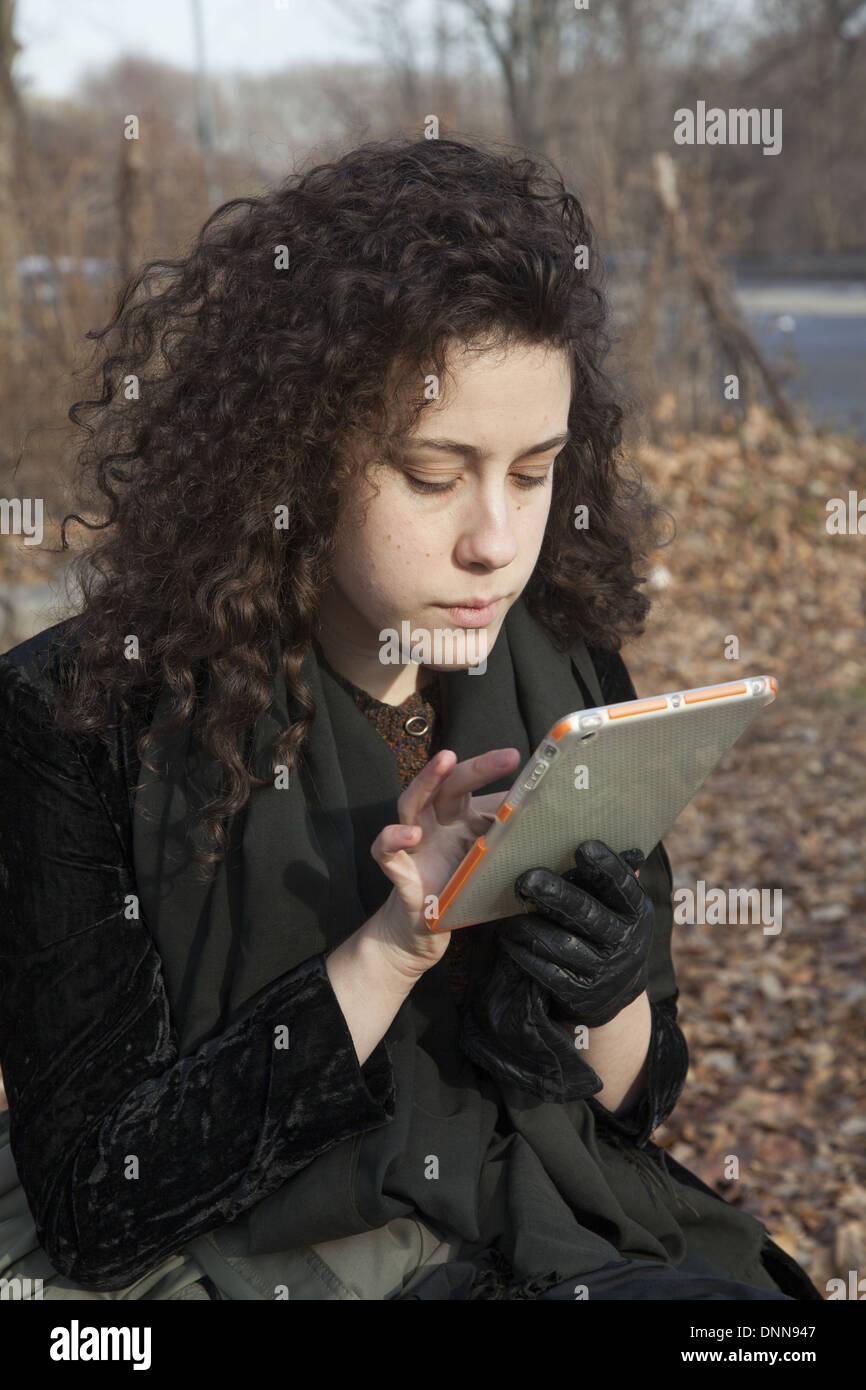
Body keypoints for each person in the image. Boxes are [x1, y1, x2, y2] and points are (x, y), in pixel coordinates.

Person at [0, 134, 822, 1301]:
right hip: (272, 1258)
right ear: (294, 453)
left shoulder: (569, 660)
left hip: (551, 1217)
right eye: (434, 476)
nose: (493, 540)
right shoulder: (85, 717)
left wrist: (610, 988)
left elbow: (636, 1102)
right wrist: (392, 947)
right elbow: (100, 1195)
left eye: (532, 473)